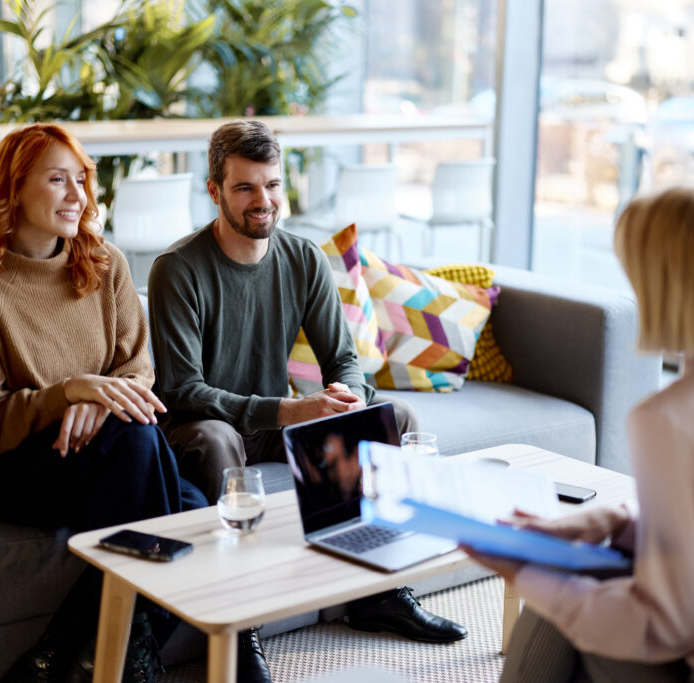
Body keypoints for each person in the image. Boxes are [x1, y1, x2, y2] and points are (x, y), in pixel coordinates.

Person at [466, 184, 694, 683]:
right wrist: (615, 522)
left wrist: (527, 577)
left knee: (561, 604)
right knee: (580, 584)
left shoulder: (673, 417)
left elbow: (665, 625)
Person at [147, 120, 467, 683]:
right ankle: (240, 626)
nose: (262, 200)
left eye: (271, 185)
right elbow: (182, 390)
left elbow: (343, 358)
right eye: (245, 187)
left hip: (271, 422)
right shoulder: (178, 268)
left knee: (399, 417)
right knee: (219, 438)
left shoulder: (304, 259)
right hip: (200, 428)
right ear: (214, 190)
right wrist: (288, 410)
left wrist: (346, 397)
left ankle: (383, 591)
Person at [0, 123, 207, 683]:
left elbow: (137, 367)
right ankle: (118, 658)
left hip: (95, 450)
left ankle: (58, 656)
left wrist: (100, 400)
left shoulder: (103, 262)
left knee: (193, 503)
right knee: (170, 487)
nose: (77, 194)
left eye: (80, 179)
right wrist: (69, 393)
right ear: (14, 189)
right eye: (57, 180)